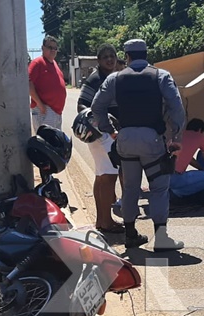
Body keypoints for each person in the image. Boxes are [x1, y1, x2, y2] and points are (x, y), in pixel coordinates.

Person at [91, 38, 187, 251]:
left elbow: (97, 106)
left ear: (127, 56)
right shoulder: (160, 75)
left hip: (125, 140)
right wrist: (176, 137)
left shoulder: (115, 78)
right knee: (159, 188)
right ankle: (161, 238)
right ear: (146, 53)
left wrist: (110, 130)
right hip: (152, 140)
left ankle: (131, 234)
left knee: (130, 188)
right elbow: (177, 106)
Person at [77, 44, 124, 233]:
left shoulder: (110, 77)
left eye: (112, 56)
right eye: (105, 57)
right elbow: (82, 104)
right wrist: (102, 121)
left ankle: (101, 220)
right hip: (104, 135)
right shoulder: (97, 79)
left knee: (102, 176)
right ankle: (106, 222)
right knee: (109, 177)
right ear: (99, 60)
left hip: (103, 134)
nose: (110, 59)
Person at [28, 35, 66, 131]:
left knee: (55, 144)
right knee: (46, 143)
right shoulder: (37, 63)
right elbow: (28, 83)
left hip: (56, 112)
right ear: (42, 48)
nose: (53, 50)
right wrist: (40, 105)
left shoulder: (54, 64)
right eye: (50, 47)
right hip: (44, 110)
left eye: (55, 48)